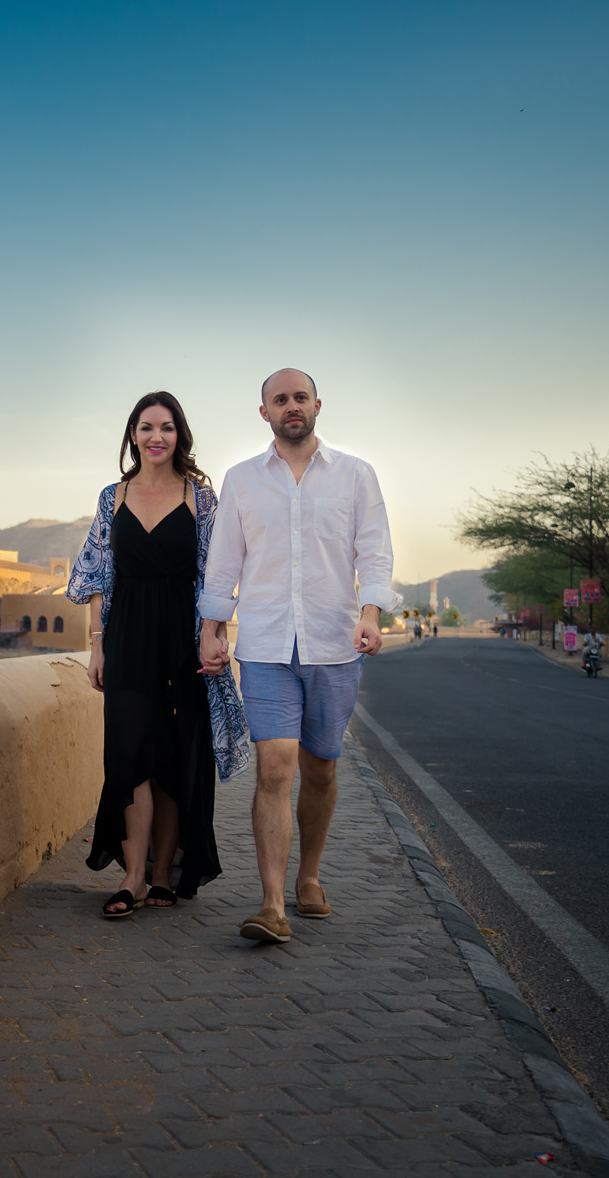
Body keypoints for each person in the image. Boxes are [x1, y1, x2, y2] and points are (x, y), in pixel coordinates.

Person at [199, 368, 399, 945]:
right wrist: (213, 628)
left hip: (335, 645)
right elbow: (224, 563)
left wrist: (370, 615)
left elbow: (375, 554)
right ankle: (270, 906)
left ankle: (309, 877)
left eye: (300, 397)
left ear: (317, 406)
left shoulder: (357, 477)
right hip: (263, 645)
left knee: (321, 767)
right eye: (279, 399)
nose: (291, 406)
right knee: (275, 768)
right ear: (264, 412)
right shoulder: (241, 480)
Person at [66, 391, 250, 919]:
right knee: (130, 757)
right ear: (132, 434)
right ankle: (132, 876)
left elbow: (217, 577)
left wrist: (212, 635)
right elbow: (99, 575)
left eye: (166, 428)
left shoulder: (201, 500)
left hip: (184, 639)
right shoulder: (112, 496)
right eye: (146, 427)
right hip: (126, 637)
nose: (156, 437)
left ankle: (164, 873)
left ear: (180, 436)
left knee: (176, 757)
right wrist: (97, 645)